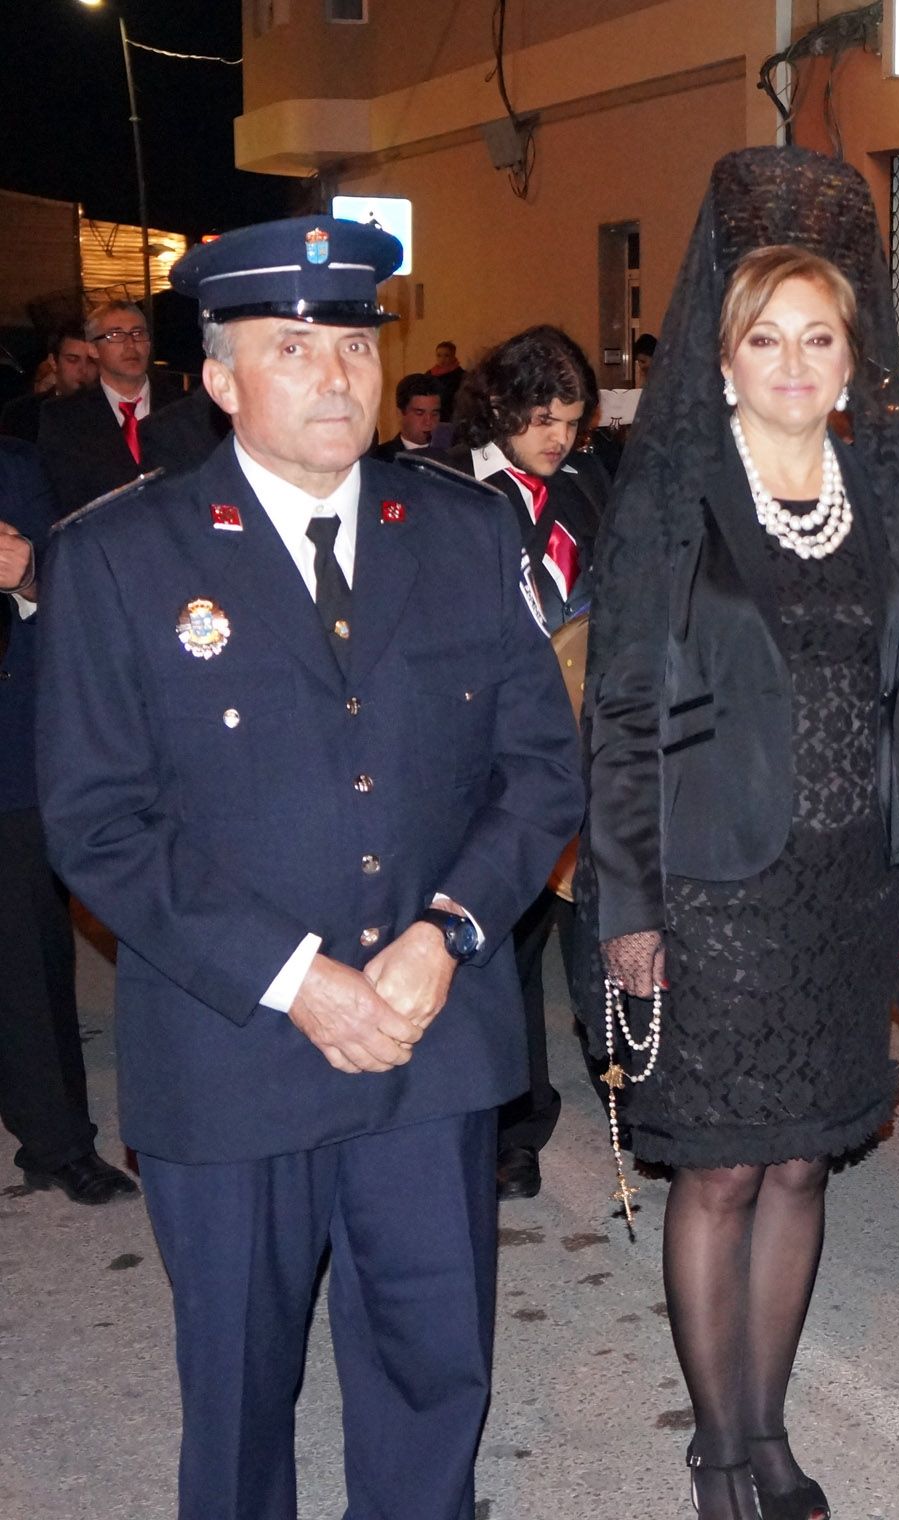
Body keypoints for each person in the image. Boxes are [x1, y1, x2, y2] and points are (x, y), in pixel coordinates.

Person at [35, 216, 583, 1518]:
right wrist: (298, 980)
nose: (334, 373)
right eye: (291, 346)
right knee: (237, 1397)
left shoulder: (457, 532)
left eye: (351, 341)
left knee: (432, 1373)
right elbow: (99, 822)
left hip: (425, 1035)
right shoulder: (120, 559)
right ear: (219, 378)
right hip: (232, 1052)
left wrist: (446, 932)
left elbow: (539, 768)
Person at [581, 147, 899, 1520]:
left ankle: (773, 1425)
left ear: (852, 364)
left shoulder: (882, 507)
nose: (793, 362)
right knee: (724, 1167)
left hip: (837, 891)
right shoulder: (671, 500)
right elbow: (618, 716)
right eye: (764, 339)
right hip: (707, 891)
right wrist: (626, 905)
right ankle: (719, 1442)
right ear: (722, 359)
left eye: (817, 338)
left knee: (802, 1156)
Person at [433, 324, 607, 1199]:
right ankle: (515, 1126)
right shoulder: (439, 491)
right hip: (487, 751)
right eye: (543, 420)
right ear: (497, 407)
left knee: (596, 929)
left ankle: (624, 1087)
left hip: (582, 745)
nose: (559, 439)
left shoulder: (583, 487)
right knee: (506, 938)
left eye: (573, 422)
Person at [0, 438, 138, 1206]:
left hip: (7, 759)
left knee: (26, 960)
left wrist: (26, 581)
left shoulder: (15, 466)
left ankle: (56, 1141)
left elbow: (66, 593)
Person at [36, 301, 186, 512]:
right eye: (115, 335)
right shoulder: (63, 417)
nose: (130, 345)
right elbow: (63, 496)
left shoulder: (184, 407)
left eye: (138, 333)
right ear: (93, 349)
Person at [0, 324, 99, 443]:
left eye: (91, 361)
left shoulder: (110, 411)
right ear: (53, 362)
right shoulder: (21, 412)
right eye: (72, 360)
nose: (83, 369)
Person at [373, 372, 444, 460]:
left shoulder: (452, 457)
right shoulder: (379, 458)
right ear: (400, 413)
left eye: (434, 414)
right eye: (420, 413)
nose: (429, 422)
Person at [431, 338, 467, 419]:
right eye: (439, 355)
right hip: (433, 419)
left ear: (453, 356)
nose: (442, 359)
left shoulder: (461, 376)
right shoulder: (430, 375)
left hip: (452, 419)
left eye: (446, 355)